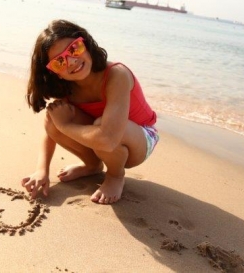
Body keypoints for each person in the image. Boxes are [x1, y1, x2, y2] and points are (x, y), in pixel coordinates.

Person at [21, 20, 159, 204]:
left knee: (96, 125)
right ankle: (92, 165)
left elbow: (108, 139)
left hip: (140, 138)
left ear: (85, 43)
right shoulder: (68, 88)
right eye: (59, 61)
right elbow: (51, 130)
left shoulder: (117, 75)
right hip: (102, 134)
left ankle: (115, 176)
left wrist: (65, 125)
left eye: (73, 49)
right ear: (55, 72)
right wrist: (41, 170)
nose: (71, 61)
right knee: (53, 118)